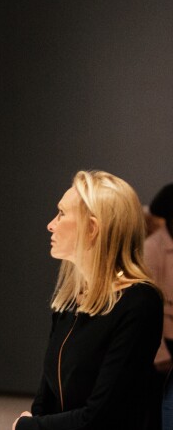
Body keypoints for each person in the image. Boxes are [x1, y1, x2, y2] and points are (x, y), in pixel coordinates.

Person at [13, 170, 163, 430]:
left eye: (61, 214)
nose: (51, 224)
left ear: (92, 228)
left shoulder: (139, 302)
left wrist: (28, 428)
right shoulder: (70, 301)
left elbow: (101, 418)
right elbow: (45, 399)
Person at [144, 184, 173, 429]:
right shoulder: (152, 247)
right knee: (158, 409)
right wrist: (161, 353)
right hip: (164, 342)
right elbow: (149, 306)